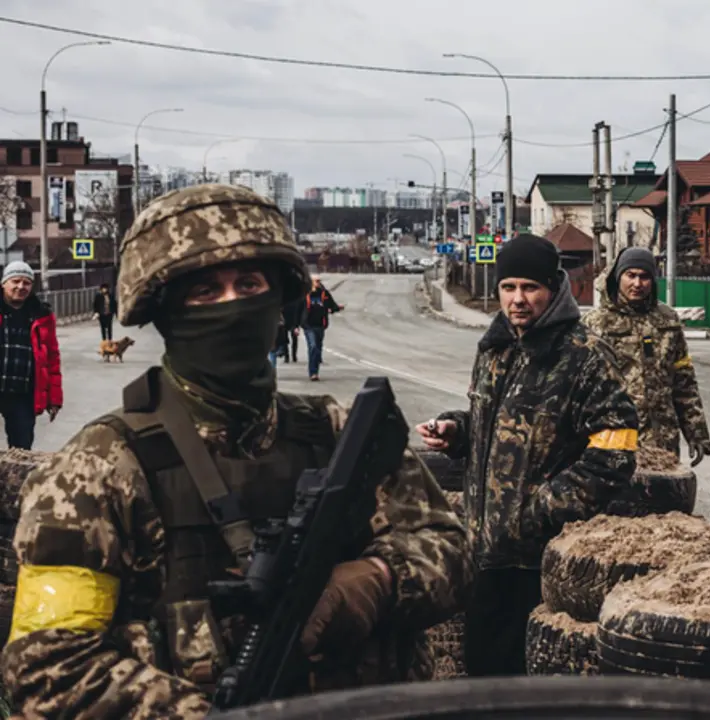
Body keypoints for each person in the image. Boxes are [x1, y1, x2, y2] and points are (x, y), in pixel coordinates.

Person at [0, 184, 469, 718]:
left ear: (278, 298)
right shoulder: (97, 469)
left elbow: (451, 550)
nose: (233, 306)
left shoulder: (336, 432)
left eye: (249, 284)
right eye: (205, 292)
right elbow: (47, 667)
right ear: (166, 312)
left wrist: (379, 580)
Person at [416, 233, 638, 677]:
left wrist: (542, 509)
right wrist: (457, 431)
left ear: (553, 289)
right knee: (483, 677)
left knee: (522, 688)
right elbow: (497, 424)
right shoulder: (497, 348)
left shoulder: (583, 356)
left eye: (529, 288)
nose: (517, 299)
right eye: (508, 287)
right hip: (485, 552)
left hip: (538, 561)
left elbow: (617, 447)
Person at [582, 247, 710, 465]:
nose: (637, 284)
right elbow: (580, 390)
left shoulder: (667, 321)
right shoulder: (595, 324)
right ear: (618, 277)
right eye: (630, 275)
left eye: (644, 277)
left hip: (661, 441)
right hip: (612, 441)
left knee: (661, 498)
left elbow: (684, 382)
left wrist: (696, 432)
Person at [0, 260, 61, 450]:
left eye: (26, 282)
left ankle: (15, 480)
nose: (21, 287)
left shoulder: (41, 314)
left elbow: (52, 357)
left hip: (23, 393)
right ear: (4, 283)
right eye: (15, 281)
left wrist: (55, 398)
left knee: (22, 448)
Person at [301, 277, 343, 380]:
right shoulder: (305, 294)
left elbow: (332, 305)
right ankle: (313, 373)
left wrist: (337, 308)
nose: (318, 283)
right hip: (308, 325)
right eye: (316, 281)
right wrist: (295, 325)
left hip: (320, 325)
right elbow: (298, 309)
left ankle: (316, 370)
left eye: (319, 281)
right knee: (313, 346)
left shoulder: (324, 294)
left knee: (318, 348)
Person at [282, 294, 303, 364]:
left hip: (294, 320)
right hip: (285, 320)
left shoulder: (296, 299)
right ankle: (287, 356)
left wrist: (298, 323)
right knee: (284, 339)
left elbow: (300, 309)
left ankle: (293, 356)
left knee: (294, 338)